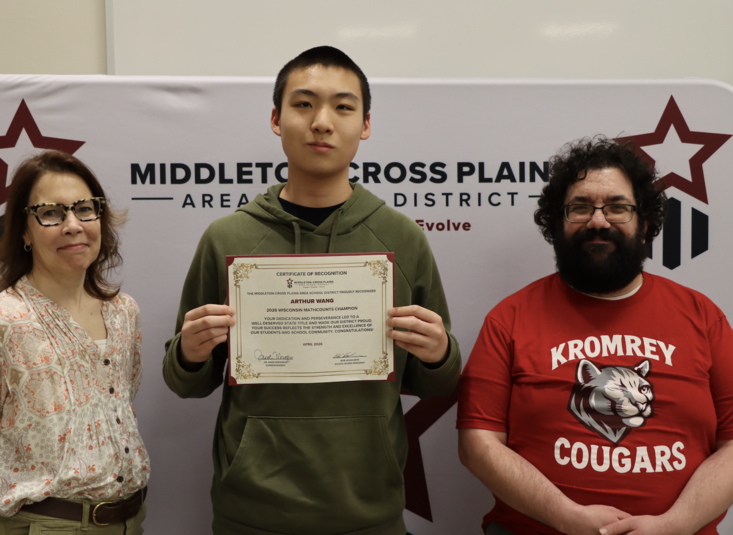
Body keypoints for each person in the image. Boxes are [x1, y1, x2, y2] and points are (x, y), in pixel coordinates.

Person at [162, 46, 461, 535]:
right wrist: (189, 354)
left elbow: (437, 384)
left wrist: (440, 354)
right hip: (251, 513)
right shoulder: (227, 239)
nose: (322, 122)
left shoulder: (402, 238)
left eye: (343, 107)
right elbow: (186, 383)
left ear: (365, 124)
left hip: (370, 512)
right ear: (276, 119)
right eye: (304, 104)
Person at [457, 136, 733, 535]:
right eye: (581, 207)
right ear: (557, 224)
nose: (598, 221)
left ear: (645, 224)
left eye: (618, 207)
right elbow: (477, 444)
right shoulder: (509, 318)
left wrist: (674, 525)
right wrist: (567, 518)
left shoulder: (702, 316)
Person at [0, 151, 150, 535]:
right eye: (51, 213)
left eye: (85, 209)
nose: (73, 225)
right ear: (24, 231)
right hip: (44, 526)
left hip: (129, 520)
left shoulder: (124, 313)